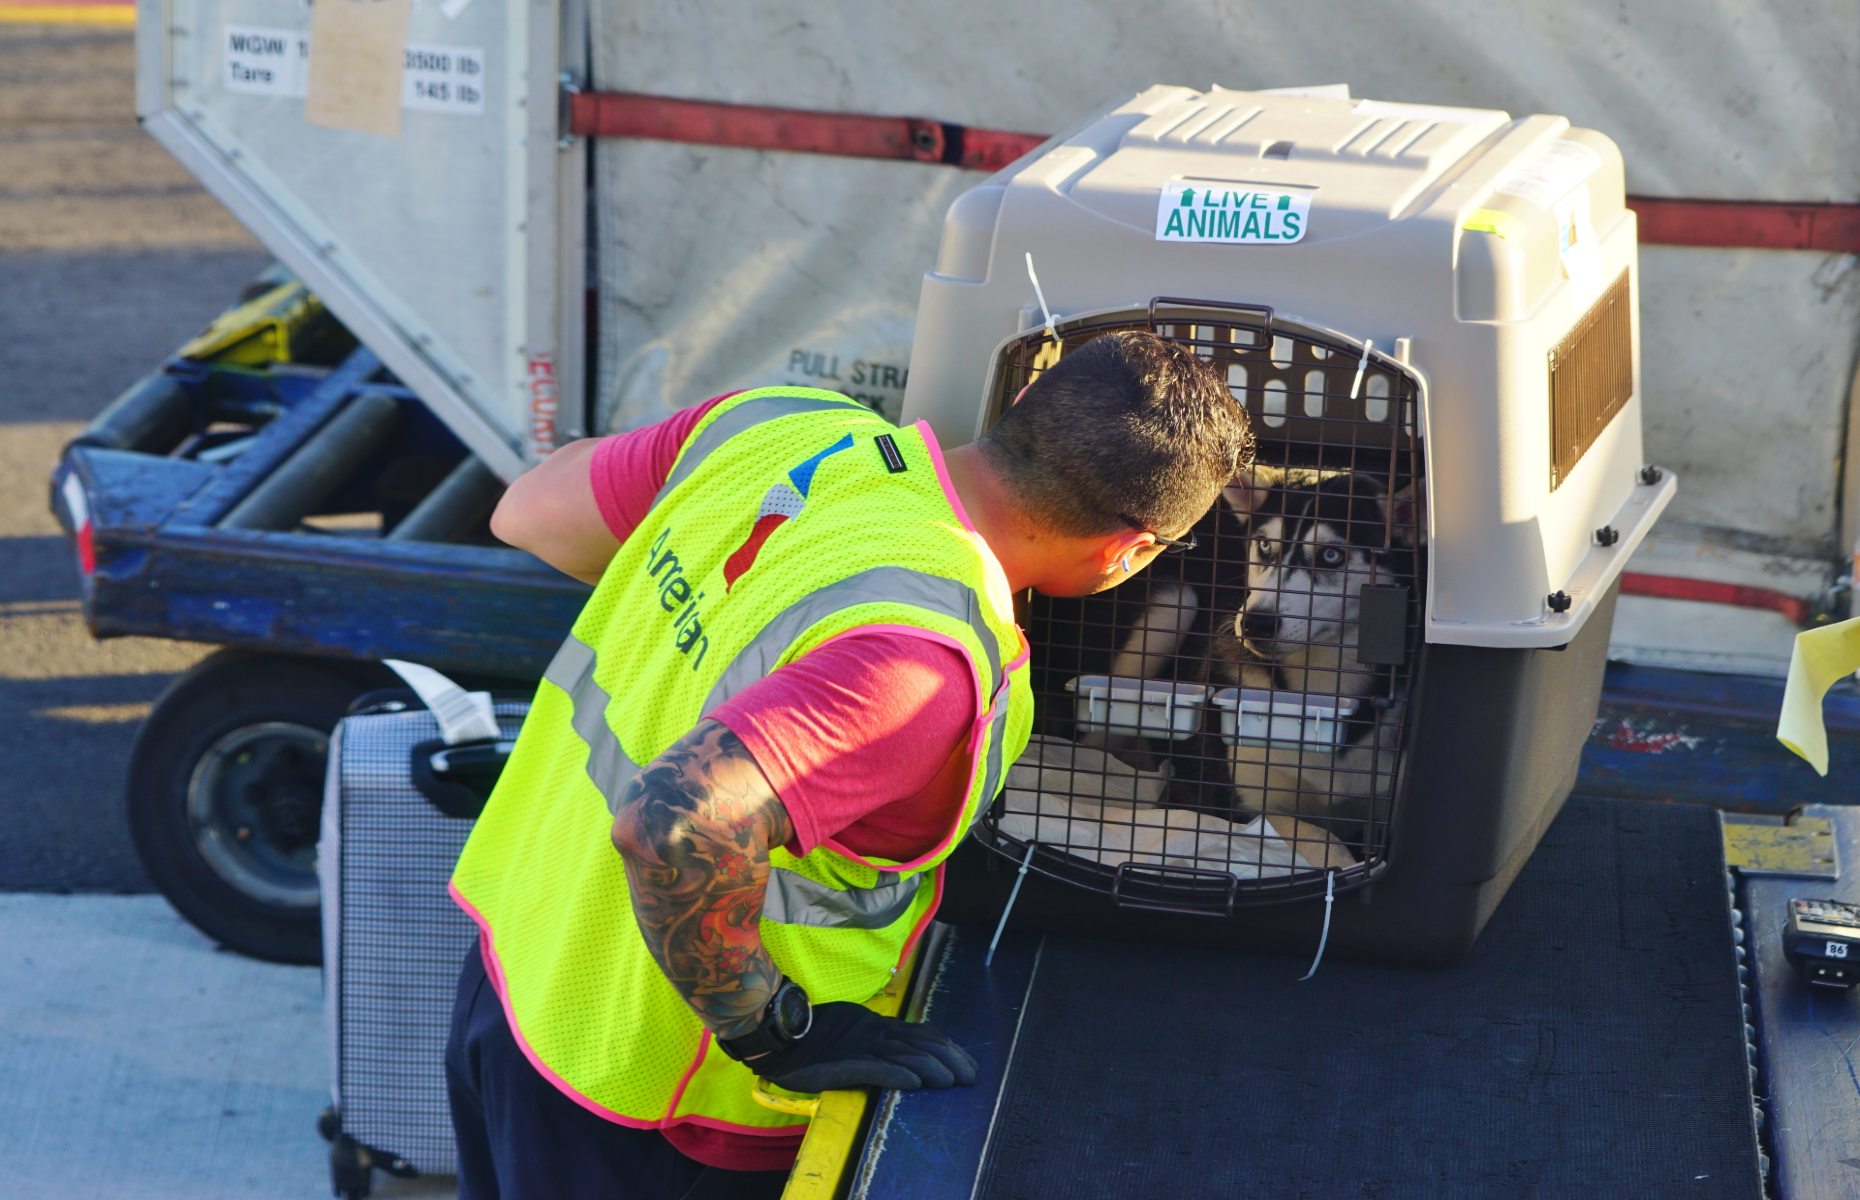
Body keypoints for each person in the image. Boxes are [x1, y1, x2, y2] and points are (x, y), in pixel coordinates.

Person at [445, 329, 1254, 1198]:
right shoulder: (927, 659)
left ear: (1020, 407)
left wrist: (704, 603)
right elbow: (675, 822)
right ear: (1128, 552)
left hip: (516, 982)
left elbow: (527, 515)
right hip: (661, 1105)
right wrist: (773, 1029)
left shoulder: (783, 425)